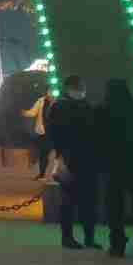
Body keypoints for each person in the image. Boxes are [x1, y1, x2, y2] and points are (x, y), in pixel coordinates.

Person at [97, 79, 133, 258]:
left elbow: (97, 139)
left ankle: (118, 244)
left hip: (112, 167)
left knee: (114, 207)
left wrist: (101, 163)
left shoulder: (102, 111)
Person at [47, 76, 98, 249]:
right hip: (72, 160)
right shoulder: (63, 106)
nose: (82, 90)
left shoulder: (75, 105)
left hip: (82, 159)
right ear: (70, 88)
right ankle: (71, 238)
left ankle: (85, 237)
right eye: (79, 87)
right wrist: (61, 156)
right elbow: (56, 135)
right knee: (72, 201)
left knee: (85, 201)